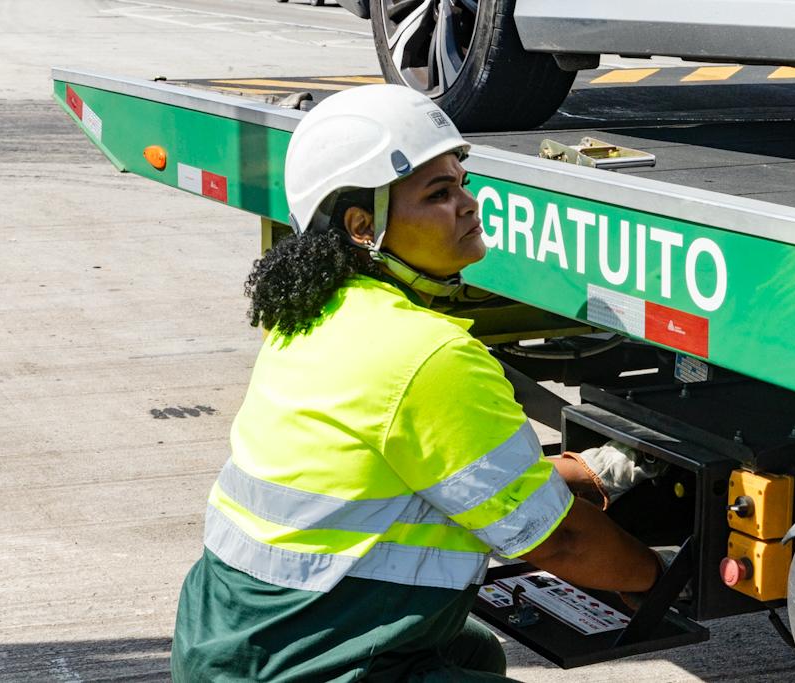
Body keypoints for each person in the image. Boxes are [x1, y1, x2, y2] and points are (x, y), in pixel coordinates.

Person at [171, 84, 665, 682]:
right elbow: (558, 545)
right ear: (361, 226)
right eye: (438, 193)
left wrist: (575, 473)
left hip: (225, 643)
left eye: (461, 182)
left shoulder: (315, 314)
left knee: (471, 651)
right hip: (296, 665)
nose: (468, 204)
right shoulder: (428, 355)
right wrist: (657, 580)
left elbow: (391, 480)